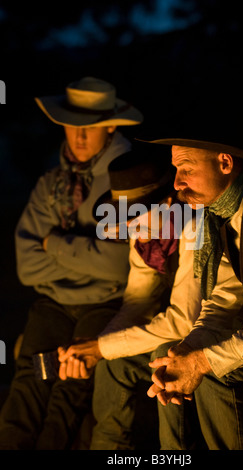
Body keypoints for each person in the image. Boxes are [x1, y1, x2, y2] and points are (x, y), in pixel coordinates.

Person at [0, 77, 143, 450]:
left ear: (111, 125)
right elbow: (27, 267)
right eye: (72, 126)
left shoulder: (128, 181)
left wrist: (55, 244)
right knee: (28, 382)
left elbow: (117, 266)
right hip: (54, 303)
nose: (79, 137)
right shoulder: (52, 183)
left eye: (90, 127)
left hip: (108, 301)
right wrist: (88, 253)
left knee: (72, 383)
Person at [146, 132, 243, 450]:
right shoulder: (223, 216)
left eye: (186, 168)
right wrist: (190, 350)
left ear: (225, 163)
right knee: (193, 362)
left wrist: (201, 362)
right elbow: (225, 296)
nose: (176, 183)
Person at [58, 147, 206, 450]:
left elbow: (182, 322)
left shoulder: (194, 228)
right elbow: (138, 302)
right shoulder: (147, 237)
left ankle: (175, 452)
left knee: (167, 355)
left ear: (167, 203)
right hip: (187, 334)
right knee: (112, 363)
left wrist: (102, 347)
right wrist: (96, 348)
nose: (129, 227)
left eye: (135, 215)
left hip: (219, 336)